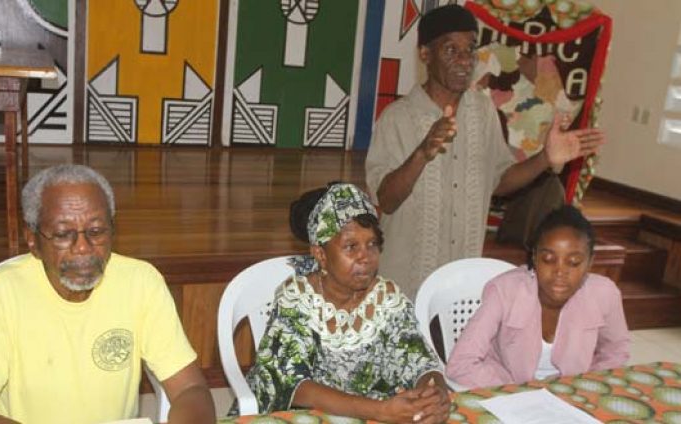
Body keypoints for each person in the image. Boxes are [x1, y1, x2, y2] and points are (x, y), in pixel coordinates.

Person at [0, 164, 216, 424]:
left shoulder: (141, 283)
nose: (83, 247)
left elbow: (191, 389)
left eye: (96, 231)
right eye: (63, 234)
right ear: (33, 241)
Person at [365, 4, 606, 297]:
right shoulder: (396, 118)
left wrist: (545, 159)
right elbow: (386, 200)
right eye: (450, 50)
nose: (465, 60)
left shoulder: (483, 111)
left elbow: (500, 180)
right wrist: (422, 153)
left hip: (461, 285)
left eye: (470, 49)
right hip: (404, 286)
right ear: (426, 54)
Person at [242, 183, 450, 424]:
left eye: (372, 244)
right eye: (351, 247)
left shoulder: (387, 299)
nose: (365, 256)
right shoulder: (297, 299)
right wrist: (380, 410)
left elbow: (420, 359)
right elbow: (295, 385)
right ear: (321, 255)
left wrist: (436, 395)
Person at [446, 205, 629, 388]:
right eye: (548, 259)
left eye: (573, 262)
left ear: (589, 263)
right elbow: (461, 363)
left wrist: (582, 388)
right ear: (534, 257)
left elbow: (615, 353)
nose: (560, 272)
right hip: (510, 392)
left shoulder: (604, 294)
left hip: (573, 395)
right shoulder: (505, 291)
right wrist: (517, 392)